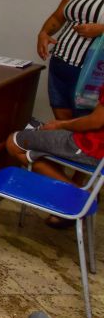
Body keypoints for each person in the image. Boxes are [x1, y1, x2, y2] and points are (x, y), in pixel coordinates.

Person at [6, 89, 104, 228]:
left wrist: (61, 125)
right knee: (39, 150)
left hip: (89, 146)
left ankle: (82, 195)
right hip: (95, 148)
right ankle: (67, 197)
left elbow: (96, 121)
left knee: (13, 143)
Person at [36, 0, 104, 119]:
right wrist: (43, 33)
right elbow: (58, 17)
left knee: (82, 127)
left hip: (91, 73)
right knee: (62, 123)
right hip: (60, 63)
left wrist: (101, 29)